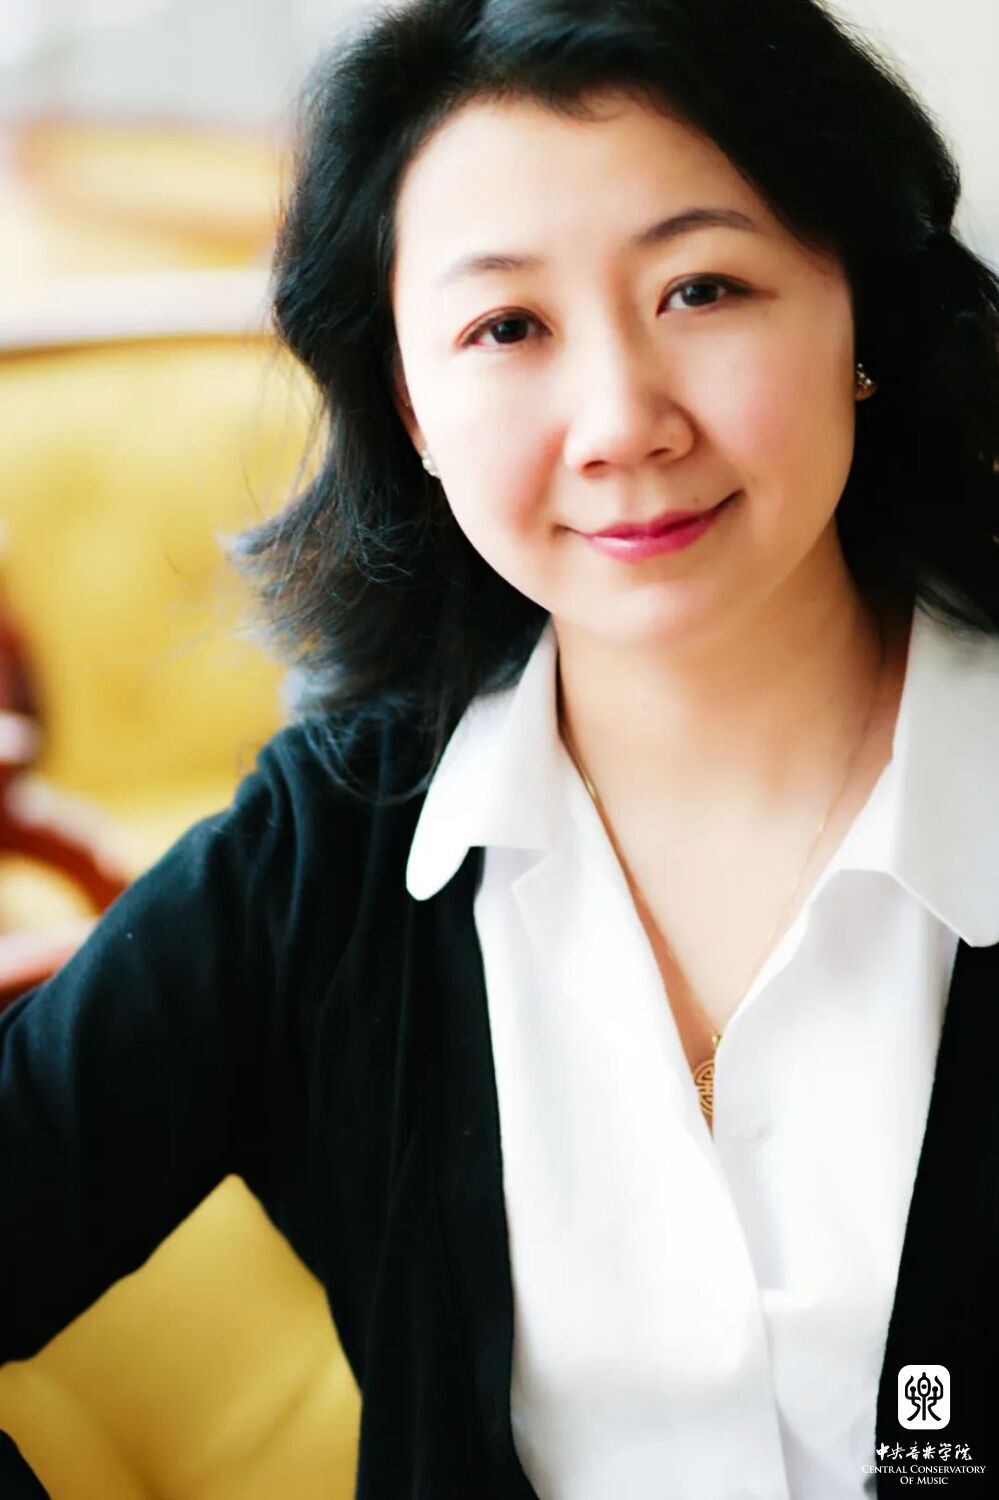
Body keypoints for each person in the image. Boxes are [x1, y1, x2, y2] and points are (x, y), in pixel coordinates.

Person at [3, 1, 999, 1496]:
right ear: (410, 403)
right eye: (507, 327)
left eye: (703, 288)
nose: (620, 424)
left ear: (860, 308)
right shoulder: (329, 857)